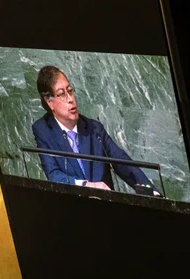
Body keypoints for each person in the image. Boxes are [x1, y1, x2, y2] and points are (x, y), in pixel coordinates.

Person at [31, 66, 160, 195]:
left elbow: (123, 162)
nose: (70, 99)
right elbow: (53, 174)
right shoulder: (43, 130)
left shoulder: (94, 128)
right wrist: (86, 185)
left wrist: (153, 193)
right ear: (50, 102)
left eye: (70, 91)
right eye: (61, 94)